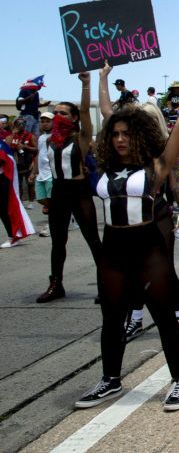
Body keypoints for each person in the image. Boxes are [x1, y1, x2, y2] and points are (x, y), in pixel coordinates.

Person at [74, 63, 179, 412]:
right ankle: (111, 380)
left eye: (126, 134)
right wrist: (98, 81)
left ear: (140, 136)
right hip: (113, 249)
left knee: (164, 317)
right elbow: (96, 120)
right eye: (115, 134)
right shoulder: (104, 167)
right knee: (112, 319)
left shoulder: (157, 165)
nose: (119, 138)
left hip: (149, 249)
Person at [37, 72, 103, 303]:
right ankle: (56, 284)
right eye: (55, 113)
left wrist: (86, 85)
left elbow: (85, 112)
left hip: (79, 192)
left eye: (63, 113)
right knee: (57, 241)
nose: (57, 117)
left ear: (73, 118)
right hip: (58, 191)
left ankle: (105, 284)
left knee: (93, 239)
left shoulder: (81, 138)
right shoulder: (49, 140)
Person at [29, 112, 54, 236]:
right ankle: (66, 213)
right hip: (41, 174)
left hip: (52, 173)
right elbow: (39, 154)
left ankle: (51, 225)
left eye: (47, 121)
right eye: (42, 121)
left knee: (51, 200)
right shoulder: (41, 137)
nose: (44, 124)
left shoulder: (56, 136)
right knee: (41, 199)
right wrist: (33, 172)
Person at [7, 117, 38, 208]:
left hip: (28, 163)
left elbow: (36, 149)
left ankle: (31, 202)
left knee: (30, 184)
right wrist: (12, 135)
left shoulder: (30, 136)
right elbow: (7, 148)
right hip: (17, 164)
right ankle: (20, 202)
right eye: (19, 124)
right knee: (18, 184)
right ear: (15, 125)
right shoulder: (10, 136)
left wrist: (25, 147)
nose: (21, 126)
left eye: (23, 124)